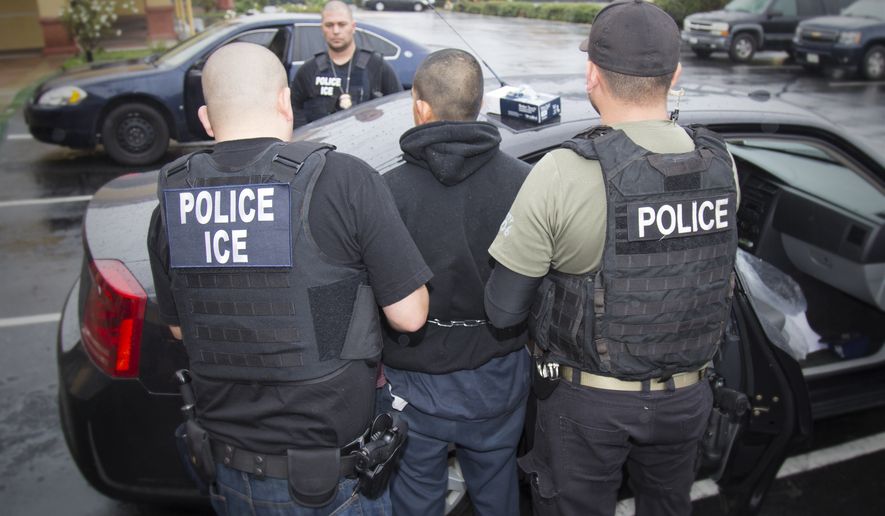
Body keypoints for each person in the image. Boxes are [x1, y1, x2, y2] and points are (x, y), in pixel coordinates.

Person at [147, 42, 432, 516]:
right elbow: (410, 314)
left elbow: (180, 329)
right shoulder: (342, 180)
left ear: (205, 118)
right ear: (285, 101)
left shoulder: (173, 205)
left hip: (232, 476)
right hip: (330, 485)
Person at [483, 2, 740, 515]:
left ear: (592, 76)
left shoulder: (563, 171)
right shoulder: (722, 163)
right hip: (688, 397)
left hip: (589, 406)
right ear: (676, 75)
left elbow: (503, 310)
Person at [380, 49, 531, 516]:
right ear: (479, 106)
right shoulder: (527, 184)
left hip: (414, 385)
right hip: (499, 380)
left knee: (415, 498)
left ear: (420, 107)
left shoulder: (386, 192)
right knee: (497, 489)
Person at [291, 0, 402, 126]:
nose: (336, 31)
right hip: (321, 143)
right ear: (322, 28)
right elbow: (294, 112)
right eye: (329, 25)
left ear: (353, 27)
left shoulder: (377, 66)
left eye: (342, 24)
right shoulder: (309, 70)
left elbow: (397, 109)